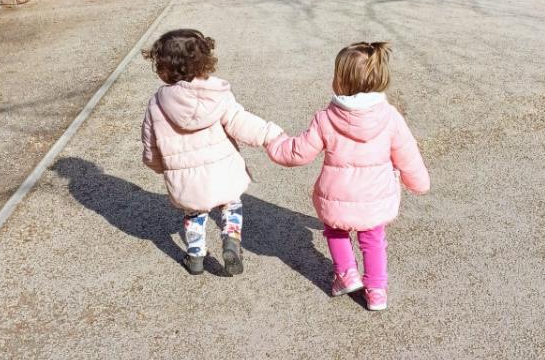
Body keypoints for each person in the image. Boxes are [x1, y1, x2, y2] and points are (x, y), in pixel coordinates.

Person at [266, 42, 430, 311]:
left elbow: (299, 153)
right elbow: (407, 153)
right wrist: (419, 183)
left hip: (337, 194)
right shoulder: (389, 117)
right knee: (373, 237)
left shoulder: (326, 118)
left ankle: (346, 274)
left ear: (340, 80)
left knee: (336, 230)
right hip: (375, 195)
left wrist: (274, 142)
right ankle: (377, 290)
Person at [141, 29, 282, 276]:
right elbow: (240, 121)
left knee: (194, 212)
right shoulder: (217, 95)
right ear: (204, 61)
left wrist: (158, 165)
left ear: (163, 68)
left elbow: (151, 143)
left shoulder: (157, 104)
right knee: (231, 203)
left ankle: (195, 255)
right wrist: (270, 135)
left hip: (187, 178)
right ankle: (231, 239)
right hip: (223, 171)